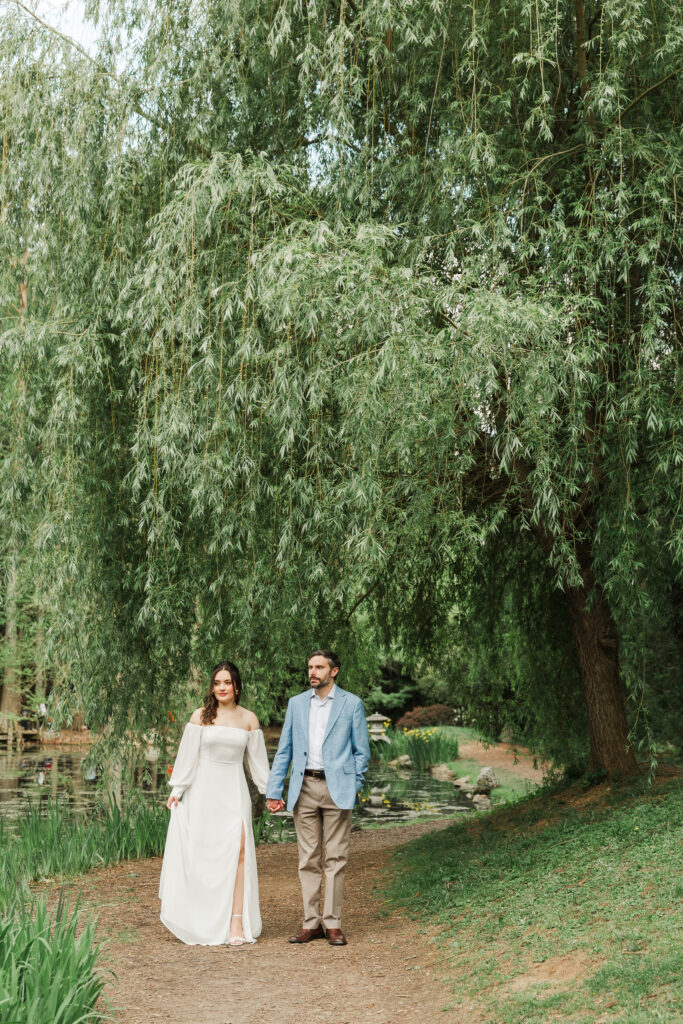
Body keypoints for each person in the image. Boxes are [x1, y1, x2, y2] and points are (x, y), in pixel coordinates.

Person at [159, 660, 270, 946]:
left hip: (233, 790)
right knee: (204, 855)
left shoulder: (249, 719)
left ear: (237, 686)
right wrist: (178, 789)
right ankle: (202, 917)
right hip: (203, 790)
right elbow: (187, 756)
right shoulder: (200, 717)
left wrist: (271, 793)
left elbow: (258, 764)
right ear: (212, 686)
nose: (222, 687)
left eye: (227, 682)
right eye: (217, 683)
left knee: (241, 850)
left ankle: (235, 923)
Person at [266, 649, 370, 946]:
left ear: (333, 671)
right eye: (310, 667)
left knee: (336, 858)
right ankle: (311, 923)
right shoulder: (296, 704)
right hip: (304, 789)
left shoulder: (352, 704)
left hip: (338, 789)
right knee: (307, 859)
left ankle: (333, 923)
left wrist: (354, 784)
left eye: (319, 667)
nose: (313, 672)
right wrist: (275, 790)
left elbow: (361, 752)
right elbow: (284, 749)